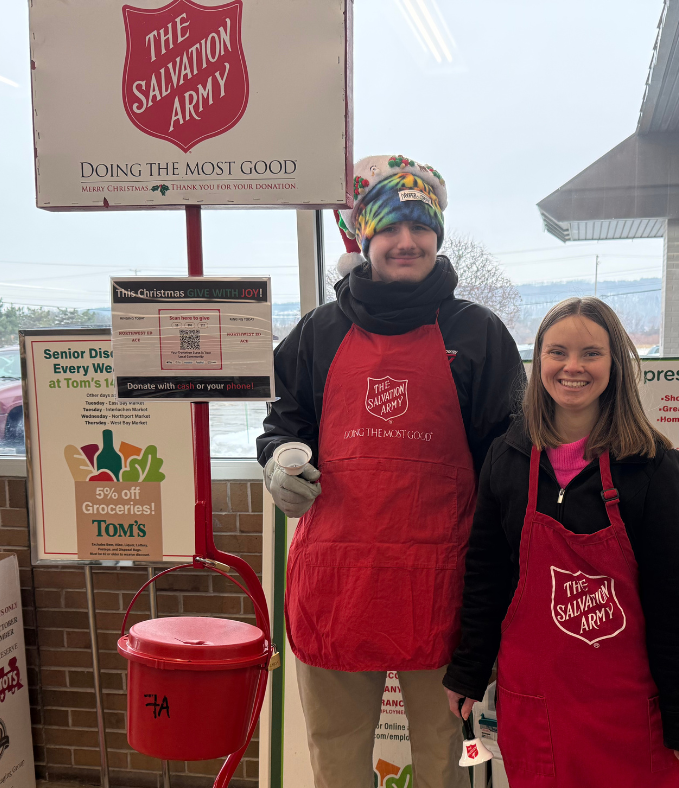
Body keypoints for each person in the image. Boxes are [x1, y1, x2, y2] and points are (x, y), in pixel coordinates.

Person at [257, 154, 525, 788]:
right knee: (338, 760)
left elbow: (509, 460)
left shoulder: (479, 334)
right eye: (389, 227)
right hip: (337, 585)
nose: (406, 242)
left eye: (421, 226)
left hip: (443, 588)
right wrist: (280, 461)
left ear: (437, 233)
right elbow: (281, 424)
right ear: (364, 235)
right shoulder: (317, 333)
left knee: (446, 763)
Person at [443, 297, 679, 787]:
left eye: (591, 353)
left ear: (615, 365)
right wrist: (468, 670)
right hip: (537, 707)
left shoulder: (653, 468)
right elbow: (487, 576)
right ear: (538, 363)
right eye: (557, 352)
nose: (573, 367)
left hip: (631, 716)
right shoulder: (506, 460)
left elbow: (677, 602)